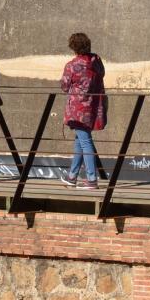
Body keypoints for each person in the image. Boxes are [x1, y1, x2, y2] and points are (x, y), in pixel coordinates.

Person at [59, 33, 107, 190]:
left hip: (78, 109)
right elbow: (102, 75)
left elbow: (64, 86)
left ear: (73, 48)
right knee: (80, 141)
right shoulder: (96, 61)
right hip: (93, 107)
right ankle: (72, 176)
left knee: (85, 142)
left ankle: (92, 179)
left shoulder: (72, 65)